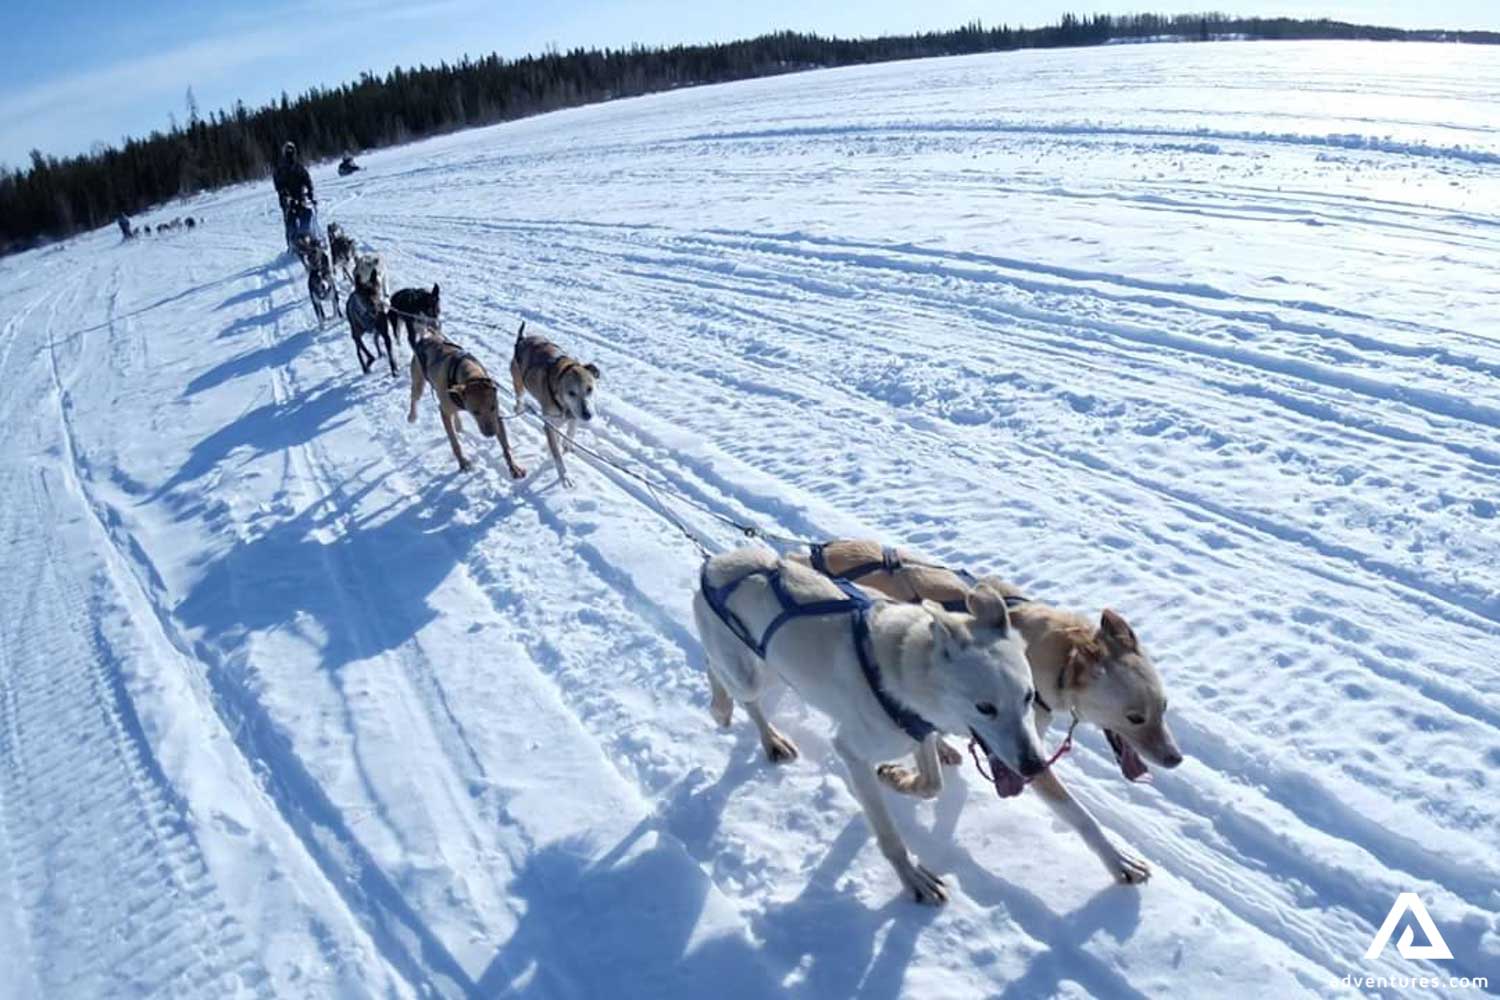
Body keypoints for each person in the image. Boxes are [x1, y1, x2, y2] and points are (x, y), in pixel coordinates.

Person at [273, 141, 314, 213]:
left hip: (300, 197)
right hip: (287, 200)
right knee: (291, 218)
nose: (290, 154)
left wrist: (310, 190)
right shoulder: (280, 169)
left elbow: (306, 178)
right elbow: (278, 184)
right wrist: (284, 193)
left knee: (307, 214)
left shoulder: (299, 167)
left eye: (291, 152)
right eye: (288, 152)